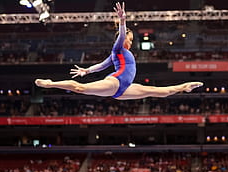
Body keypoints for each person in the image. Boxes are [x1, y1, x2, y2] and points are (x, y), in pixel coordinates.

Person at [35, 2, 203, 100]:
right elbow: (121, 35)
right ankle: (50, 83)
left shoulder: (119, 54)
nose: (129, 41)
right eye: (128, 38)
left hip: (125, 87)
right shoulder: (118, 48)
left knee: (159, 92)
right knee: (81, 88)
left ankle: (185, 86)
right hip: (115, 82)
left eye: (130, 39)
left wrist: (87, 70)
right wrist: (123, 22)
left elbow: (102, 65)